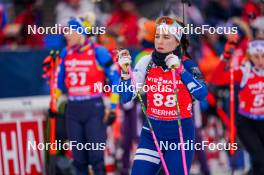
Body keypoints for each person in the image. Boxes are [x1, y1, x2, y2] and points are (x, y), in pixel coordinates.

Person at [118, 16, 208, 175]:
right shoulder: (146, 62)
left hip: (179, 134)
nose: (159, 41)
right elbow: (125, 97)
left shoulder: (187, 64)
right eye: (157, 36)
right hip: (152, 132)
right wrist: (125, 73)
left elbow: (202, 93)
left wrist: (180, 70)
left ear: (177, 41)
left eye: (166, 37)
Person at [57, 17, 120, 175]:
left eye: (70, 30)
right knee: (78, 161)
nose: (66, 35)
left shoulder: (98, 52)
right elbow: (58, 83)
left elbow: (115, 80)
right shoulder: (65, 52)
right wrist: (54, 100)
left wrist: (113, 108)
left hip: (94, 108)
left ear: (81, 33)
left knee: (96, 159)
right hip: (73, 109)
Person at [211, 38, 264, 175]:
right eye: (256, 57)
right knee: (259, 157)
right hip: (246, 122)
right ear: (250, 56)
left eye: (263, 56)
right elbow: (216, 79)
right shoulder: (244, 72)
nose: (260, 61)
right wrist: (226, 56)